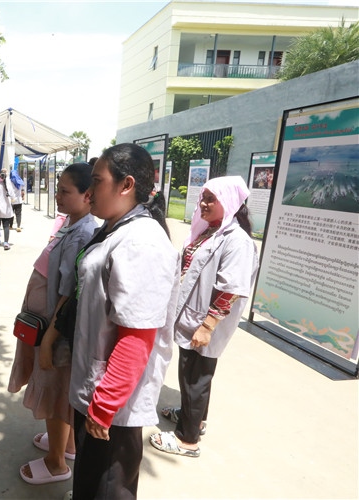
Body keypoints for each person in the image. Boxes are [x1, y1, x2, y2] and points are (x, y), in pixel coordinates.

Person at [68, 143, 180, 499]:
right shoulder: (117, 228)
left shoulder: (141, 243)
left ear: (126, 185)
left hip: (111, 406)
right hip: (95, 391)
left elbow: (136, 338)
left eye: (96, 182)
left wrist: (103, 406)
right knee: (89, 481)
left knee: (108, 487)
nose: (89, 192)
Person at [150, 175, 258, 458]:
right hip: (192, 317)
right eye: (204, 197)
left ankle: (188, 439)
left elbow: (231, 288)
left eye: (212, 198)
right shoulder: (212, 231)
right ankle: (193, 418)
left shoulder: (237, 241)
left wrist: (208, 326)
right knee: (193, 373)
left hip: (204, 323)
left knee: (194, 377)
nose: (204, 203)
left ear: (230, 202)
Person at [8, 163, 98, 485]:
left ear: (88, 196)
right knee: (57, 390)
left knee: (56, 391)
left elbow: (69, 294)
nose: (57, 195)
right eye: (57, 189)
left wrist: (48, 339)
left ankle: (56, 462)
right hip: (45, 325)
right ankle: (66, 444)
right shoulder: (70, 224)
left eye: (64, 191)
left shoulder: (83, 233)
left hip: (53, 332)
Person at [0, 169, 15, 250]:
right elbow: (12, 196)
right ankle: (6, 242)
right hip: (7, 210)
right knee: (6, 226)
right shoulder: (8, 186)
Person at [9, 167, 26, 232]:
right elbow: (22, 190)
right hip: (19, 200)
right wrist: (23, 196)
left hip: (12, 200)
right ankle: (18, 226)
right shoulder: (20, 181)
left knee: (11, 213)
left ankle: (10, 226)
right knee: (18, 214)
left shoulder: (9, 182)